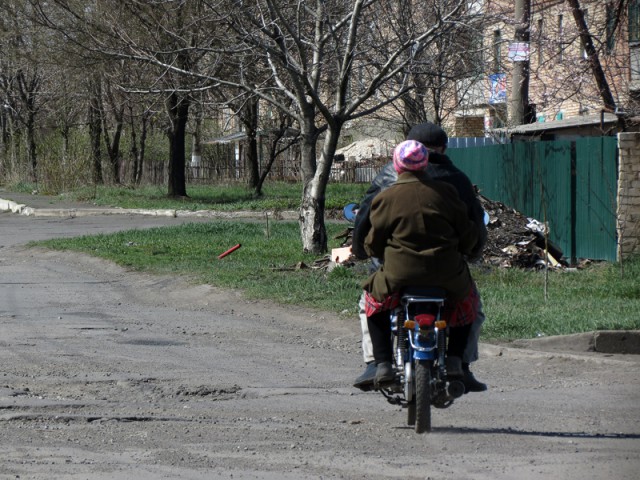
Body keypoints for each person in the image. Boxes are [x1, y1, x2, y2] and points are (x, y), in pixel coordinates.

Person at [352, 122, 488, 392]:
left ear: (398, 159)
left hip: (397, 272)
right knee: (469, 305)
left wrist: (367, 252)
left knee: (369, 303)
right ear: (441, 149)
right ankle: (459, 363)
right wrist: (471, 252)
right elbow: (471, 227)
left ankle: (377, 363)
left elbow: (368, 226)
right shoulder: (454, 183)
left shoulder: (386, 183)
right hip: (447, 272)